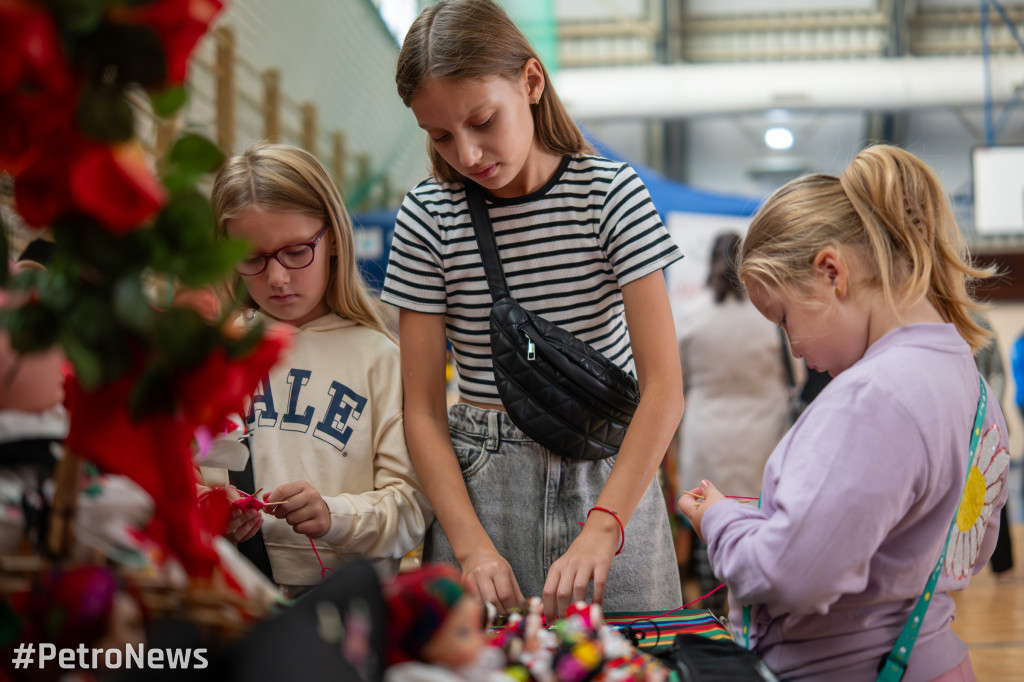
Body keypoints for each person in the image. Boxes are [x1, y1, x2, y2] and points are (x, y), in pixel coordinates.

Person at [383, 0, 684, 622]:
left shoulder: (612, 194)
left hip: (611, 482)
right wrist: (470, 547)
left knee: (630, 659)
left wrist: (605, 526)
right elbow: (421, 410)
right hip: (481, 495)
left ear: (532, 81)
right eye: (440, 135)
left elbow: (664, 389)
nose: (466, 154)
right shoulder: (427, 216)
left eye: (482, 120)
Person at [678, 144, 1011, 681]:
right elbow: (956, 550)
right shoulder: (968, 383)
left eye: (783, 317)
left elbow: (790, 576)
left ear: (832, 271)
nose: (791, 347)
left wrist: (720, 519)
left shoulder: (873, 398)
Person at [205, 142, 432, 595]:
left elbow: (411, 508)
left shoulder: (380, 359)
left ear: (332, 239)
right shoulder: (211, 352)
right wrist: (205, 506)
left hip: (341, 613)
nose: (277, 278)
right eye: (251, 257)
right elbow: (172, 477)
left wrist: (334, 515)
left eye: (295, 252)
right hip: (224, 604)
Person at [675, 231, 791, 611]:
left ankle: (713, 614)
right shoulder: (771, 313)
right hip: (764, 437)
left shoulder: (691, 313)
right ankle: (753, 611)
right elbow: (798, 377)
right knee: (757, 524)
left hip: (706, 434)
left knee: (708, 521)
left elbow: (678, 380)